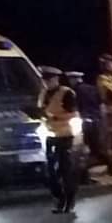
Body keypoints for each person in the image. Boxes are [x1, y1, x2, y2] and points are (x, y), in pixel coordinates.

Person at [37, 66, 81, 214]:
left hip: (65, 135)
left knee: (65, 170)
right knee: (51, 171)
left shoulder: (67, 93)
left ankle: (68, 201)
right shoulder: (43, 93)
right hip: (49, 135)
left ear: (56, 79)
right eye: (44, 80)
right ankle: (59, 198)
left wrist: (55, 117)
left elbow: (74, 114)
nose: (46, 83)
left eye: (49, 80)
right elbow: (42, 110)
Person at [95, 54, 112, 175]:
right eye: (109, 63)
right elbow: (111, 92)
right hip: (109, 109)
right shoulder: (102, 79)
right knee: (111, 137)